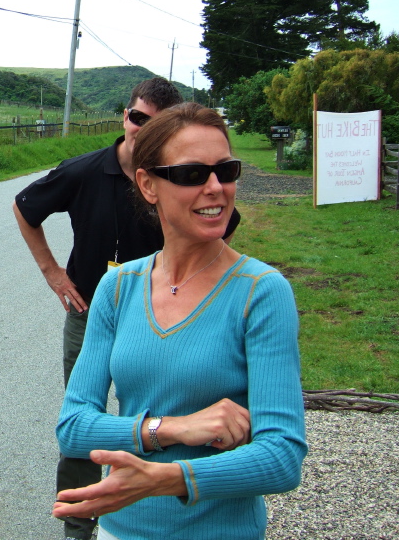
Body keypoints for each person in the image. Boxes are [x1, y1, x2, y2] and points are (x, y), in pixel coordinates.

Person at [54, 102, 307, 540]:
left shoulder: (261, 292)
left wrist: (167, 479)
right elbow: (73, 428)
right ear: (148, 184)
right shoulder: (118, 288)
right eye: (192, 174)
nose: (216, 188)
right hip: (121, 531)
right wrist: (173, 429)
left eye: (226, 171)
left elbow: (282, 457)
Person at [13, 78, 239, 539]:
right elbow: (24, 206)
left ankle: (157, 509)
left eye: (156, 125)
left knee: (172, 413)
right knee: (84, 421)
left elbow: (222, 226)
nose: (142, 129)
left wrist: (201, 284)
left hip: (166, 315)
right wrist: (53, 272)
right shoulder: (83, 171)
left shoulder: (187, 178)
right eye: (137, 118)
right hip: (92, 309)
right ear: (125, 116)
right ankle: (78, 521)